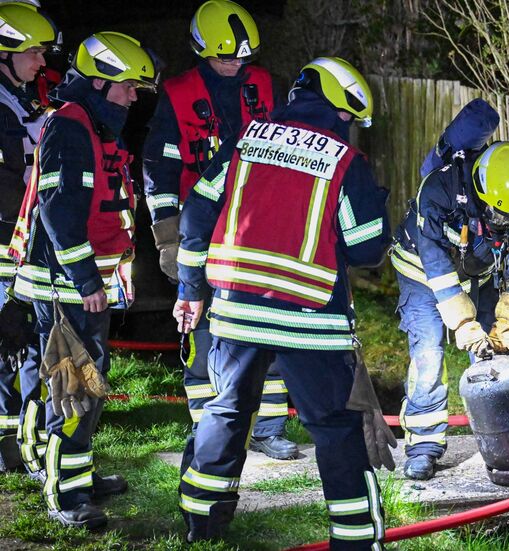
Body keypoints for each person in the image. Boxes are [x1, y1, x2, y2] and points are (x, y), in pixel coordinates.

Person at [172, 57, 392, 547]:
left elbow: (195, 216)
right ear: (342, 109)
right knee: (334, 429)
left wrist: (190, 288)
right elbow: (367, 248)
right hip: (309, 320)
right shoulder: (344, 160)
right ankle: (355, 537)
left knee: (227, 411)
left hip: (235, 313)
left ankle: (200, 524)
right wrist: (376, 200)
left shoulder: (246, 141)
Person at [8, 31, 158, 529]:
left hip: (82, 281)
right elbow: (58, 213)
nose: (133, 96)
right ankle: (65, 494)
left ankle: (74, 474)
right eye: (128, 87)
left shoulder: (92, 124)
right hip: (68, 284)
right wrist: (88, 280)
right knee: (75, 387)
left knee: (73, 384)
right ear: (99, 82)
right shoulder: (71, 128)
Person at [142, 0, 297, 461]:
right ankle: (209, 431)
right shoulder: (177, 94)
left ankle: (268, 427)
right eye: (224, 56)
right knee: (203, 327)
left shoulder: (267, 85)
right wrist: (167, 234)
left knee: (266, 326)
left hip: (259, 229)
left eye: (242, 57)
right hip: (202, 228)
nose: (234, 65)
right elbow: (159, 166)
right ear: (200, 50)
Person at [390, 135, 509, 480]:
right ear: (481, 192)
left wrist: (506, 321)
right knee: (429, 354)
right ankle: (423, 446)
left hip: (478, 274)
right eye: (498, 218)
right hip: (421, 271)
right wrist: (463, 324)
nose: (505, 225)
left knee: (495, 357)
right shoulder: (439, 192)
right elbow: (436, 267)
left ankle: (507, 443)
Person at [0, 0, 59, 478]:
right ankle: (7, 447)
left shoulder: (21, 99)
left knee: (27, 346)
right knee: (8, 344)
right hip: (4, 242)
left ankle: (24, 439)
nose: (42, 61)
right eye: (34, 52)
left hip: (22, 241)